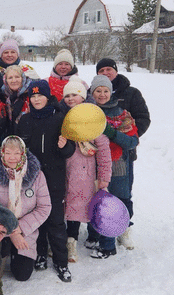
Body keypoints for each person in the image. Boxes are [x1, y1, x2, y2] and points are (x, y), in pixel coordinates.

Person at [17, 79, 75, 282]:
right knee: (36, 219)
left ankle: (61, 262)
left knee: (56, 221)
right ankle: (40, 254)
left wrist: (63, 146)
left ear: (47, 96)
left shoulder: (59, 118)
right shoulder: (25, 120)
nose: (36, 99)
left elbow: (70, 150)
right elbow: (19, 148)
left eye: (39, 95)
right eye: (32, 96)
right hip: (32, 179)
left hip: (54, 178)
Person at [96, 58, 150, 250]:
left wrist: (125, 139)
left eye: (109, 69)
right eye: (101, 70)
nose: (105, 72)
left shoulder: (131, 93)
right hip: (98, 155)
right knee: (100, 193)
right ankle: (100, 229)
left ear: (116, 71)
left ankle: (124, 228)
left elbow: (143, 118)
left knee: (122, 193)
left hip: (122, 154)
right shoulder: (93, 96)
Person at [0, 136, 51, 281]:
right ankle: (5, 248)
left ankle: (16, 252)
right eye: (8, 153)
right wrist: (12, 232)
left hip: (25, 229)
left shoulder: (37, 175)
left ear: (23, 153)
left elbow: (44, 207)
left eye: (16, 153)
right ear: (2, 153)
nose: (12, 158)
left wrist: (20, 228)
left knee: (22, 274)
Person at [61, 76, 112, 263]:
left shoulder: (92, 117)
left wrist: (104, 177)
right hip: (66, 171)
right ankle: (70, 241)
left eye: (75, 94)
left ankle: (99, 238)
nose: (70, 98)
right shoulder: (61, 116)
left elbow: (104, 152)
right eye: (67, 95)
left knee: (88, 205)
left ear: (83, 97)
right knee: (69, 206)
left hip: (87, 174)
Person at [89, 75, 139, 259]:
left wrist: (111, 133)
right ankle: (95, 234)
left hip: (118, 163)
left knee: (118, 199)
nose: (102, 94)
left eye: (105, 91)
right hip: (94, 162)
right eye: (98, 91)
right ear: (92, 92)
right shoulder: (88, 111)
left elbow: (132, 141)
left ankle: (117, 235)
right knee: (97, 199)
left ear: (111, 92)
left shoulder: (122, 114)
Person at [2, 65, 32, 135]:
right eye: (10, 78)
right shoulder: (2, 96)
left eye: (17, 77)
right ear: (5, 80)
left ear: (23, 78)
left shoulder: (30, 95)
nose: (14, 80)